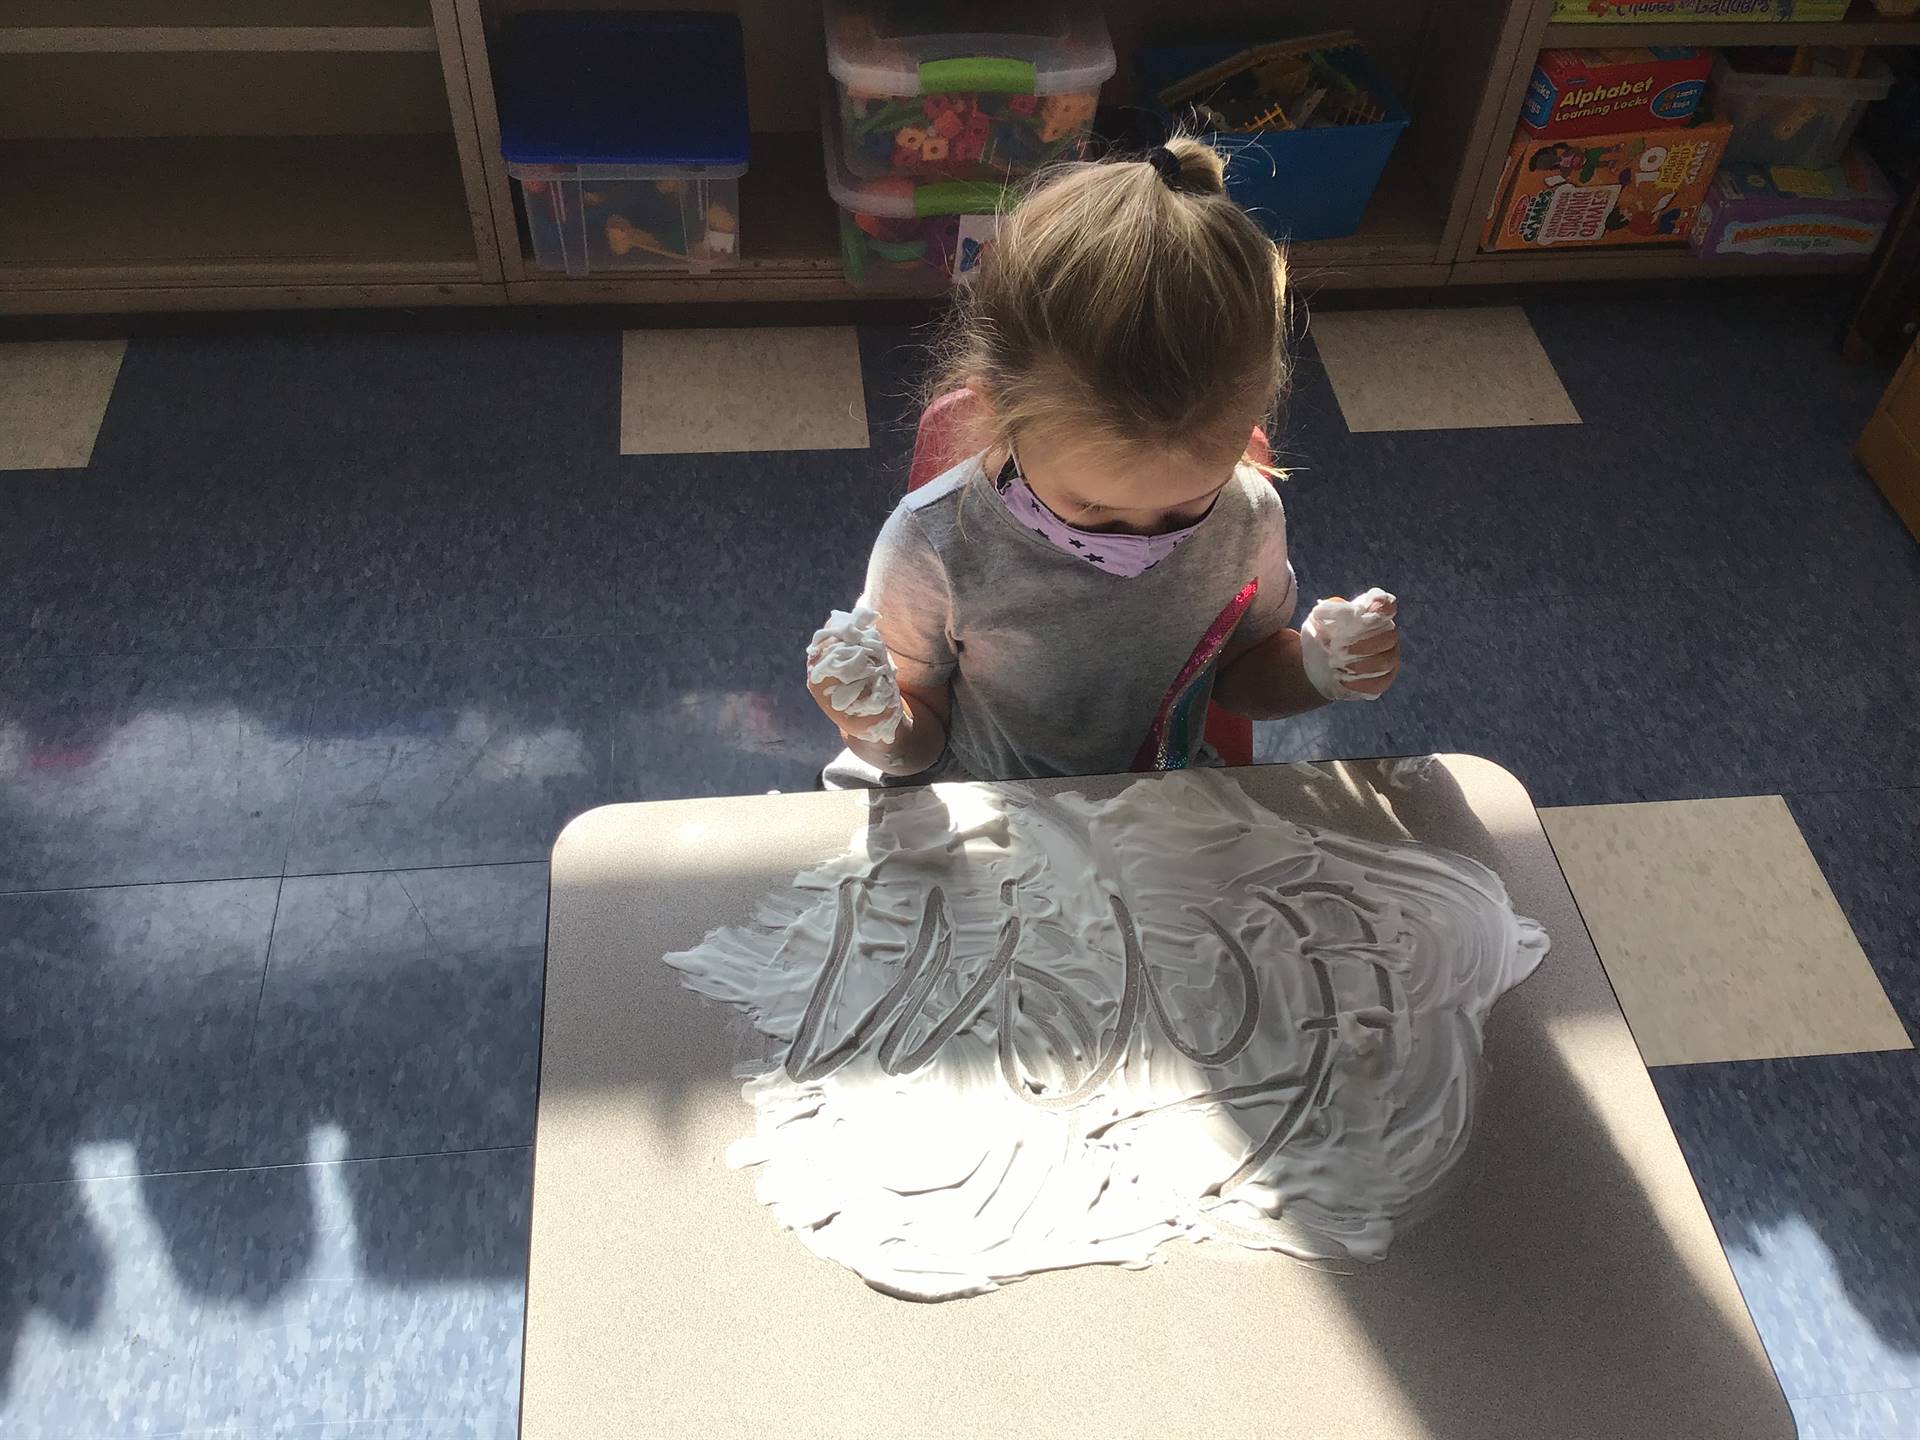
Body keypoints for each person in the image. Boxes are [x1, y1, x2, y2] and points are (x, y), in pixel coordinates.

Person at [806, 137, 1399, 787]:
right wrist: (876, 726)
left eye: (1186, 506)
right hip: (985, 802)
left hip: (1159, 803)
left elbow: (1239, 676)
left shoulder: (1247, 516)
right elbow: (918, 744)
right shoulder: (934, 544)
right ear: (1004, 413)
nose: (1144, 540)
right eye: (1094, 510)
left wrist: (1317, 670)